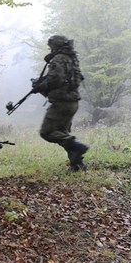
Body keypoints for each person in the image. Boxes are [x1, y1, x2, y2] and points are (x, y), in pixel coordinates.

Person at [31, 35, 89, 171]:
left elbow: (55, 79)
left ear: (55, 46)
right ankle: (78, 165)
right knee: (63, 133)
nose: (50, 49)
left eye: (51, 47)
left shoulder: (58, 59)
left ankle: (77, 147)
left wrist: (40, 86)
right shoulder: (72, 59)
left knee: (47, 132)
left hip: (61, 103)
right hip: (72, 102)